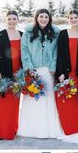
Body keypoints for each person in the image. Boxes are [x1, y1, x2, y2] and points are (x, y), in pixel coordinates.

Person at [17, 8, 62, 138]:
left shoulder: (55, 33)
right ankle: (31, 129)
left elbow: (56, 52)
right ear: (36, 18)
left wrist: (53, 66)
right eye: (41, 16)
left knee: (47, 99)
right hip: (33, 70)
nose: (43, 19)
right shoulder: (28, 33)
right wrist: (29, 68)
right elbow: (24, 51)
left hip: (48, 70)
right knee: (32, 99)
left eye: (46, 17)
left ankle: (47, 130)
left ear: (49, 19)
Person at [0, 10, 22, 140]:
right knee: (2, 101)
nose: (12, 21)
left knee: (14, 101)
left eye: (14, 19)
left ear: (18, 20)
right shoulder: (1, 35)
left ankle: (10, 129)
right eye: (9, 19)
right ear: (5, 20)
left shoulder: (22, 35)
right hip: (4, 70)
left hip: (17, 72)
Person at [55, 10, 78, 135]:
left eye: (75, 17)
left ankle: (77, 129)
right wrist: (61, 72)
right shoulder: (63, 34)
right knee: (65, 101)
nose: (73, 19)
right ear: (67, 19)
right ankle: (66, 129)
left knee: (76, 102)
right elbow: (60, 55)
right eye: (71, 17)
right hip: (66, 73)